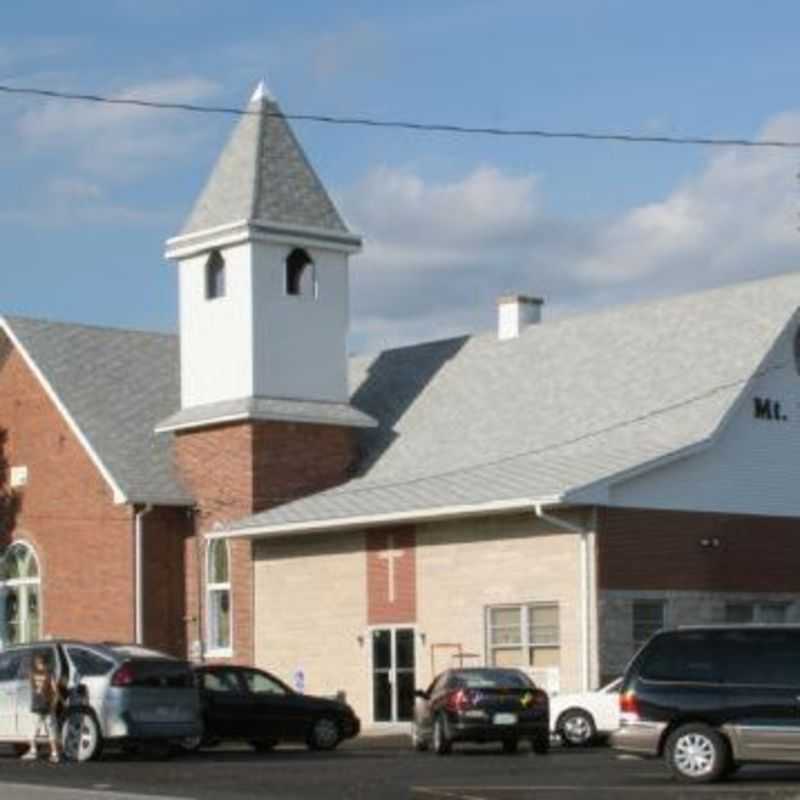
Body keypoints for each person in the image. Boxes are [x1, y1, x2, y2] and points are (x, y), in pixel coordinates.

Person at [21, 653, 61, 763]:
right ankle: (54, 753)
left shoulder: (32, 674)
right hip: (47, 706)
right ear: (45, 663)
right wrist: (54, 705)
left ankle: (33, 751)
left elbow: (32, 687)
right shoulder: (49, 674)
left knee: (33, 729)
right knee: (51, 730)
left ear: (36, 663)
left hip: (36, 705)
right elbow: (56, 692)